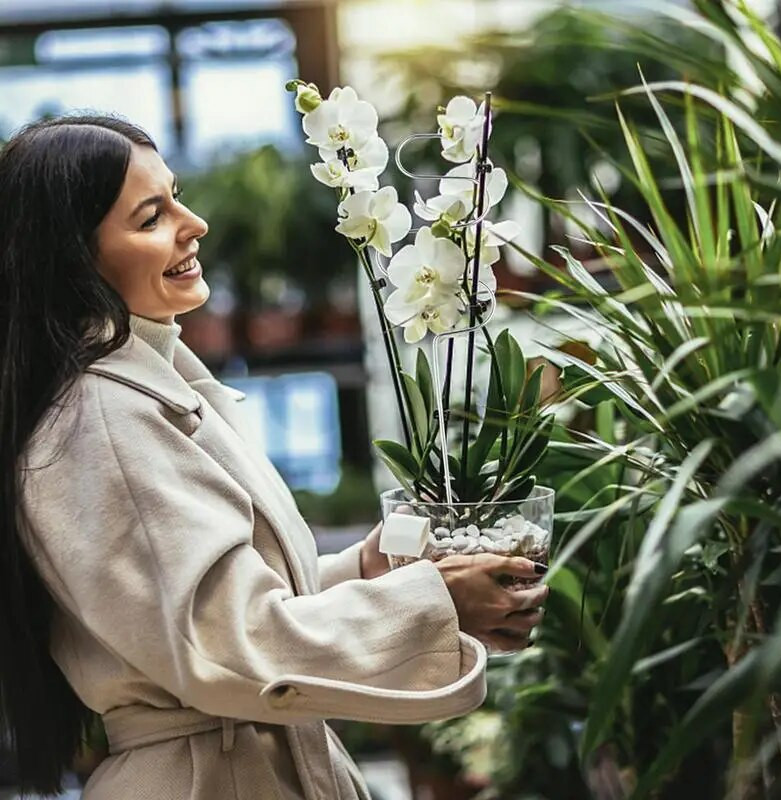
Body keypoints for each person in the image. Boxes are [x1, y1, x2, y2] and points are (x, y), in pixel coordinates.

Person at [0, 114, 549, 800]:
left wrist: (366, 570)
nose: (193, 222)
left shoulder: (153, 385)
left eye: (176, 196)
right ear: (75, 260)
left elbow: (219, 608)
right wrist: (435, 601)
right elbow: (225, 646)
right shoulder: (103, 417)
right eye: (151, 217)